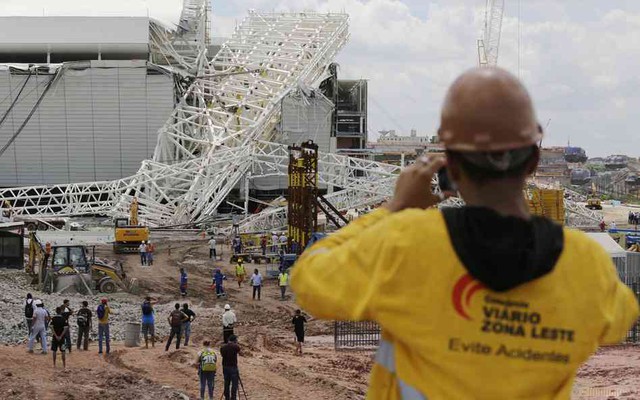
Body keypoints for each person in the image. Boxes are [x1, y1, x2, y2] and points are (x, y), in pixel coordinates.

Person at [290, 67, 640, 398]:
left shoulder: (406, 244)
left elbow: (310, 281)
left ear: (451, 166)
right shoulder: (586, 265)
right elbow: (618, 320)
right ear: (533, 160)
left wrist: (395, 208)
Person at [220, 335, 241, 400]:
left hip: (225, 367)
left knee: (226, 383)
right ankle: (233, 397)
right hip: (233, 367)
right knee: (234, 384)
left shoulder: (223, 347)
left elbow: (222, 355)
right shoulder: (235, 346)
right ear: (234, 340)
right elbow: (239, 350)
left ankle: (227, 397)